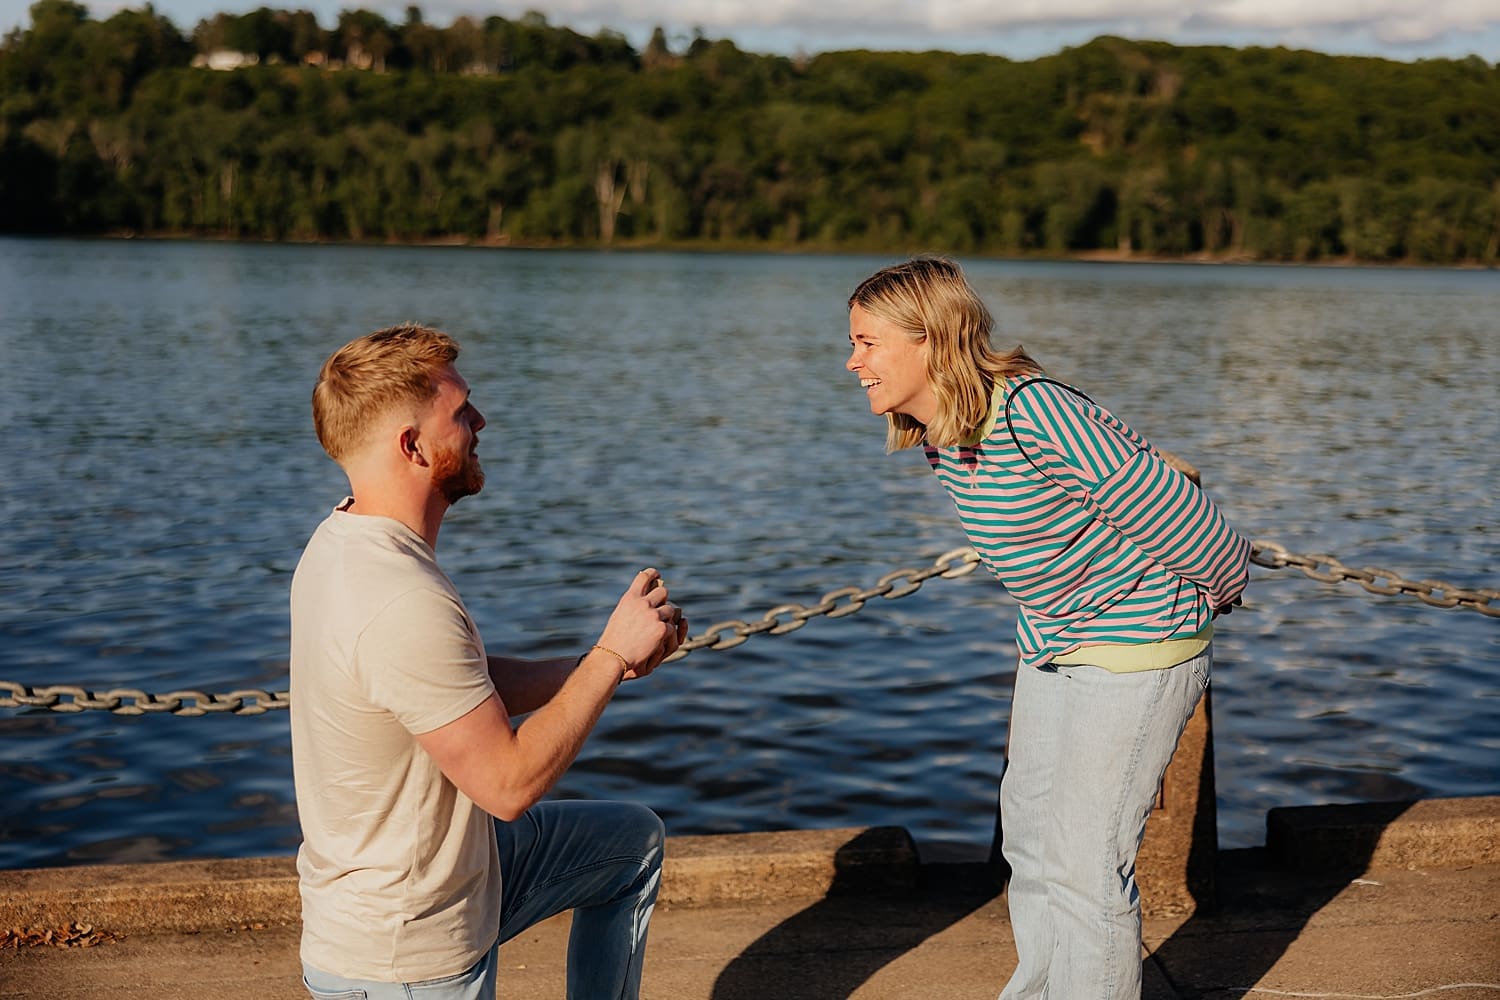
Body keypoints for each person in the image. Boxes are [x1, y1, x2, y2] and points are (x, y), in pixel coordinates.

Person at [844, 257, 1250, 999]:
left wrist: (1213, 595)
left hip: (1137, 647)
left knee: (1085, 863)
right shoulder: (943, 435)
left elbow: (1186, 516)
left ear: (932, 338)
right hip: (1052, 644)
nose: (853, 361)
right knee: (1031, 845)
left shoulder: (1035, 412)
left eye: (868, 342)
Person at [290, 322, 687, 1000]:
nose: (481, 421)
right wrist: (608, 654)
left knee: (629, 845)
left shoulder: (344, 540)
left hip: (428, 884)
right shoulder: (400, 598)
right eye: (461, 411)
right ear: (413, 446)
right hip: (407, 952)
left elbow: (453, 686)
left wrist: (603, 665)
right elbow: (507, 786)